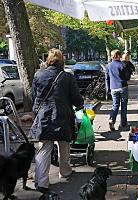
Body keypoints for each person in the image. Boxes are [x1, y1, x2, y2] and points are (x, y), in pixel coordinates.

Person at [30, 48, 84, 194]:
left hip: (44, 116)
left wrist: (36, 112)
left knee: (43, 149)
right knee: (64, 145)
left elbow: (34, 96)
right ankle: (65, 171)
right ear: (62, 61)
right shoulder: (67, 77)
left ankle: (41, 183)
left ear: (48, 59)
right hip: (62, 115)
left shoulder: (38, 75)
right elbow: (75, 97)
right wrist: (80, 105)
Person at [105, 49, 129, 131]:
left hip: (113, 88)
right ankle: (123, 123)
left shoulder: (108, 66)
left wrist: (108, 90)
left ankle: (112, 120)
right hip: (123, 87)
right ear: (118, 56)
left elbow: (107, 78)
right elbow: (127, 77)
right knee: (123, 106)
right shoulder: (122, 65)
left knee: (115, 105)